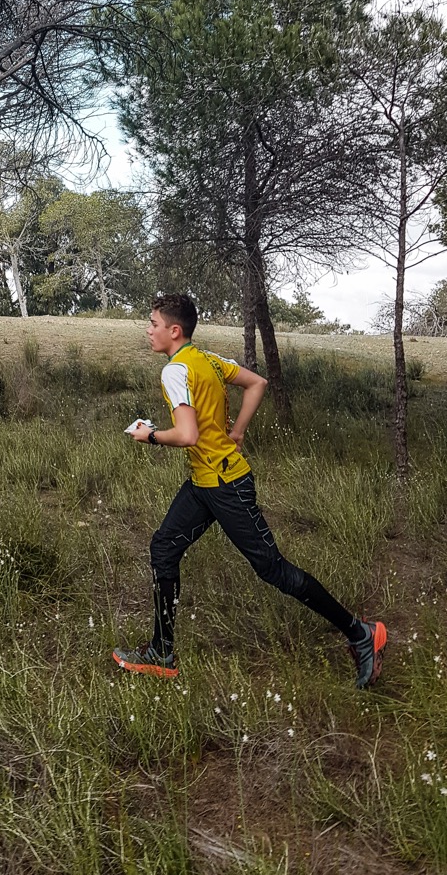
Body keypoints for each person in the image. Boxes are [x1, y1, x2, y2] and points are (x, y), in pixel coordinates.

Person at [112, 293, 386, 689]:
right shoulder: (206, 359)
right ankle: (161, 652)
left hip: (226, 487)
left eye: (153, 323)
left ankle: (361, 633)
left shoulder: (174, 371)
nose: (147, 330)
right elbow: (256, 383)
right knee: (164, 548)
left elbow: (187, 435)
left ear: (174, 331)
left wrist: (149, 435)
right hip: (204, 484)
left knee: (273, 569)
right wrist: (237, 432)